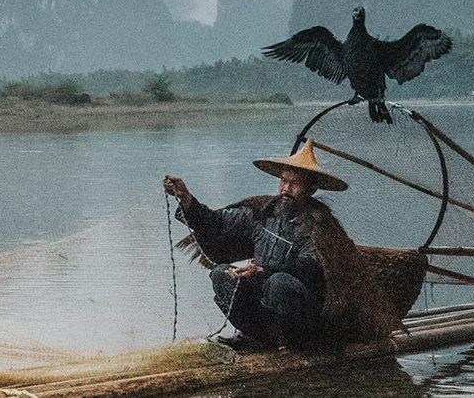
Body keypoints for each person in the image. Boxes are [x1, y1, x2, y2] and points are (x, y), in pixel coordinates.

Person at [162, 141, 399, 351]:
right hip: (264, 298)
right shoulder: (262, 212)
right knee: (220, 275)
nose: (286, 188)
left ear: (311, 189)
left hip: (303, 312)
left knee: (279, 283)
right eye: (284, 181)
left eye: (294, 184)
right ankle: (256, 336)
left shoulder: (320, 226)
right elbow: (217, 223)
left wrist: (264, 271)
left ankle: (289, 342)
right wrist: (186, 199)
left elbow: (310, 267)